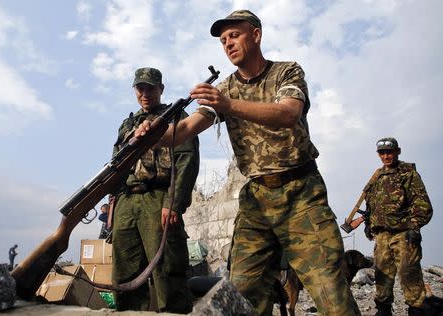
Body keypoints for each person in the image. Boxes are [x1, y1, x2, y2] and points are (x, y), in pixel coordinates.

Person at [136, 10, 360, 315]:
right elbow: (187, 129)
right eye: (223, 40)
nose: (228, 44)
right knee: (242, 293)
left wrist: (227, 105)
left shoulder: (286, 72)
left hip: (301, 195)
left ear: (256, 35)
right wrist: (155, 134)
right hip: (257, 200)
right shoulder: (224, 88)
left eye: (234, 35)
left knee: (330, 292)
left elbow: (288, 113)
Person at [110, 67, 199, 313]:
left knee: (166, 269)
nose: (145, 93)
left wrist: (173, 202)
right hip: (127, 201)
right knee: (125, 270)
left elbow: (186, 161)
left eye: (151, 88)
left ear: (161, 89)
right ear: (135, 90)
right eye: (140, 88)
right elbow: (116, 164)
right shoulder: (127, 124)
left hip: (158, 197)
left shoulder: (176, 116)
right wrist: (112, 201)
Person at [363, 137, 433, 316]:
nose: (386, 156)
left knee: (409, 272)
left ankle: (416, 309)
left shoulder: (407, 173)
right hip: (381, 235)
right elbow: (370, 205)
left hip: (403, 233)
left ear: (397, 151)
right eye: (382, 153)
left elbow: (422, 203)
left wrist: (414, 227)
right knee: (382, 273)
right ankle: (383, 309)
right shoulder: (377, 176)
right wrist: (368, 223)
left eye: (389, 151)